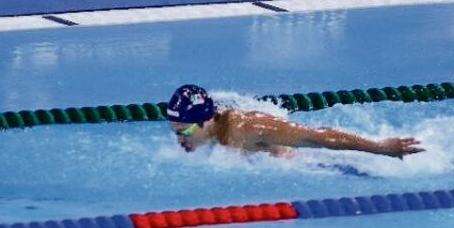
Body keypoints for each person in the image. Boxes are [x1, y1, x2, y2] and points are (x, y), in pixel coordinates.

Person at [165, 84, 424, 158]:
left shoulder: (250, 128)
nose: (178, 140)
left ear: (204, 121)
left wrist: (380, 147)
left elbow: (320, 136)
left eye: (182, 131)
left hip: (315, 162)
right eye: (174, 131)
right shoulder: (211, 131)